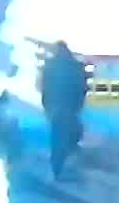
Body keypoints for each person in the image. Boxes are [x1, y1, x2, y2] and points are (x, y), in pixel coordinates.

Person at [39, 41, 90, 181]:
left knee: (57, 140)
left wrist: (47, 107)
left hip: (56, 109)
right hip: (71, 109)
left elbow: (45, 88)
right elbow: (83, 89)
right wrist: (78, 107)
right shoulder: (77, 66)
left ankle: (57, 171)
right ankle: (68, 169)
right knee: (71, 139)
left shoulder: (50, 66)